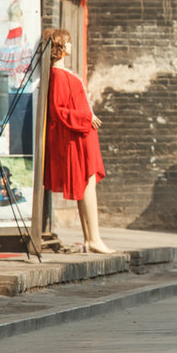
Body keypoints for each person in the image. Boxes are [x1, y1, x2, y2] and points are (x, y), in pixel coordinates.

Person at [42, 29, 114, 254]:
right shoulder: (58, 75)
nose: (71, 46)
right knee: (87, 184)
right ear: (60, 47)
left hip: (81, 134)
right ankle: (93, 238)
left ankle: (90, 239)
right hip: (76, 135)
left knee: (87, 184)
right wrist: (86, 117)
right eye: (68, 42)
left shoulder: (62, 74)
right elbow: (58, 110)